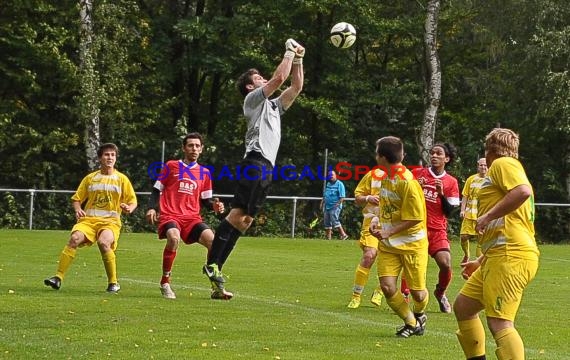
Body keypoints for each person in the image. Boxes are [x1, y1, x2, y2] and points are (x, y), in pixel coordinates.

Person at [202, 38, 305, 295]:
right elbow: (280, 78)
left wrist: (299, 60)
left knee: (245, 221)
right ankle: (212, 263)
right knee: (238, 216)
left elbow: (296, 86)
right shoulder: (252, 100)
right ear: (250, 86)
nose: (262, 79)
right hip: (255, 162)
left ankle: (216, 273)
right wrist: (288, 51)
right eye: (258, 77)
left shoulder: (273, 106)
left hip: (266, 166)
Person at [454, 128, 539, 360]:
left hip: (511, 255)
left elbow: (523, 191)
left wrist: (486, 216)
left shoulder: (503, 164)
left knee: (500, 322)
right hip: (499, 254)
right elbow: (511, 222)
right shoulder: (507, 169)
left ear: (490, 150)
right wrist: (480, 260)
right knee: (464, 306)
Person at [44, 143, 137, 293]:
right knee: (74, 239)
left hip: (110, 222)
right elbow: (77, 198)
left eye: (113, 155)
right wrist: (78, 209)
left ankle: (113, 282)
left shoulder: (122, 179)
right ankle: (58, 278)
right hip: (89, 221)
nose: (110, 157)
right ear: (100, 158)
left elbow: (133, 201)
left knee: (103, 242)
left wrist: (129, 208)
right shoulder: (90, 178)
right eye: (106, 155)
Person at [145, 133, 228, 300]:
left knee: (214, 242)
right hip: (171, 215)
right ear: (184, 148)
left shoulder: (204, 173)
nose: (194, 149)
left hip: (192, 218)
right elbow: (156, 190)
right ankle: (165, 282)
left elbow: (206, 201)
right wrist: (151, 208)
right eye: (190, 145)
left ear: (202, 149)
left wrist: (215, 206)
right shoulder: (171, 166)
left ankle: (216, 287)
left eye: (197, 146)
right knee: (174, 239)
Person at [369, 136, 429, 338]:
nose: (375, 156)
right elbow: (387, 206)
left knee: (418, 294)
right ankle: (411, 322)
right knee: (387, 287)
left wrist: (388, 231)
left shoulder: (408, 183)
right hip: (388, 245)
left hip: (412, 244)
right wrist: (377, 222)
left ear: (383, 157)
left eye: (377, 152)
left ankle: (420, 314)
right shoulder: (386, 176)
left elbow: (416, 218)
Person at [411, 143, 460, 313]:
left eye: (438, 153)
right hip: (416, 228)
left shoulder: (451, 182)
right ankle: (404, 296)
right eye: (432, 153)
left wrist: (441, 194)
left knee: (445, 263)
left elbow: (449, 211)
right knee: (413, 264)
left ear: (447, 158)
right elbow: (404, 197)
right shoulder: (418, 174)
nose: (434, 156)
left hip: (437, 230)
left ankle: (440, 293)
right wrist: (416, 187)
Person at [347, 168, 384, 308]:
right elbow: (358, 198)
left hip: (394, 227)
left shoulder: (404, 176)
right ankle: (356, 296)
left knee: (393, 262)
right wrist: (368, 198)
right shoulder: (373, 175)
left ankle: (380, 291)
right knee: (370, 255)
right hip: (372, 224)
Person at [459, 158, 488, 262]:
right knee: (463, 236)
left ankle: (477, 261)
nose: (483, 167)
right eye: (481, 165)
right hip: (469, 213)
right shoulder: (471, 179)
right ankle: (466, 255)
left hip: (483, 214)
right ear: (478, 166)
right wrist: (462, 210)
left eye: (485, 165)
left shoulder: (490, 180)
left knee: (481, 238)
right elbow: (465, 196)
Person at [320, 170, 349, 240]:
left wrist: (337, 204)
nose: (331, 177)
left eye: (332, 175)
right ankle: (328, 237)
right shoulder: (328, 184)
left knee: (334, 219)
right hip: (327, 206)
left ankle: (343, 235)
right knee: (326, 221)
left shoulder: (340, 184)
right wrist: (322, 203)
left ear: (336, 175)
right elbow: (325, 195)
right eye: (330, 176)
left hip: (335, 206)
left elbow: (342, 197)